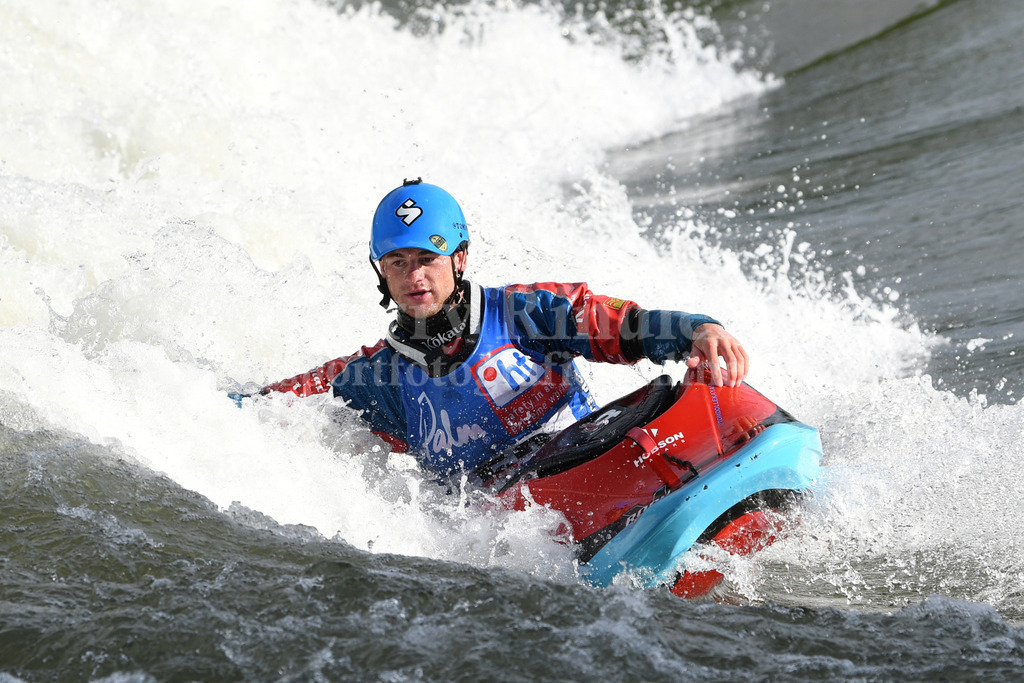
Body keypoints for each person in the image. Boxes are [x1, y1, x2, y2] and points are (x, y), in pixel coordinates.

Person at [249, 178, 749, 478]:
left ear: (459, 257)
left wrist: (696, 329)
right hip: (506, 530)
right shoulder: (378, 378)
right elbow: (279, 402)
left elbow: (621, 324)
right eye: (397, 262)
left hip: (587, 461)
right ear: (380, 270)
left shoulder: (523, 313)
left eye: (428, 258)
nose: (414, 276)